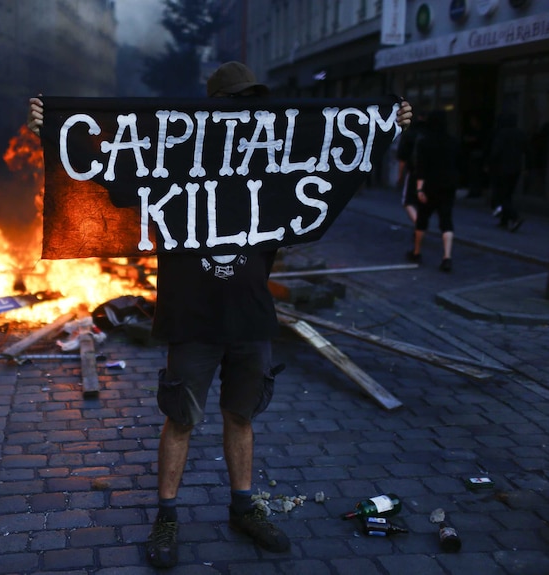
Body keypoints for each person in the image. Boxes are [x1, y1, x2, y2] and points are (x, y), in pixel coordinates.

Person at [27, 62, 413, 569]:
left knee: (241, 414)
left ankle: (243, 508)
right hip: (192, 316)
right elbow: (111, 174)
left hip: (251, 316)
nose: (244, 109)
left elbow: (333, 163)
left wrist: (385, 125)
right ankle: (167, 516)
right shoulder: (172, 160)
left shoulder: (273, 161)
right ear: (211, 106)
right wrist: (51, 132)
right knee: (180, 418)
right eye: (234, 99)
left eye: (251, 99)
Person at [408, 109, 461, 272]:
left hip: (429, 185)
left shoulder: (425, 141)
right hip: (448, 186)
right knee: (446, 221)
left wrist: (419, 189)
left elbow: (421, 168)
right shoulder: (453, 142)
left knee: (422, 220)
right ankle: (447, 257)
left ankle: (417, 252)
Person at [487, 113, 526, 232]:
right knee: (508, 194)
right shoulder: (519, 134)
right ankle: (505, 219)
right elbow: (527, 150)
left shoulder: (501, 134)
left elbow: (496, 152)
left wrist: (490, 164)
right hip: (515, 168)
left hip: (501, 169)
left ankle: (515, 217)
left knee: (500, 195)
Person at [395, 109, 428, 225]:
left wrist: (400, 176)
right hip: (431, 172)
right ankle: (420, 226)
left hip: (414, 171)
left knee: (408, 201)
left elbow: (402, 158)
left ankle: (420, 226)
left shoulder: (411, 134)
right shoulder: (431, 133)